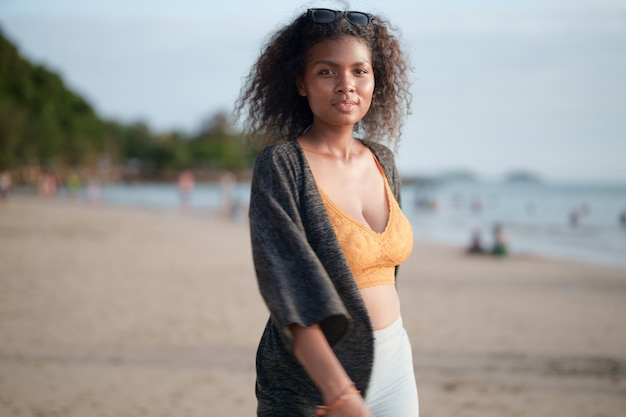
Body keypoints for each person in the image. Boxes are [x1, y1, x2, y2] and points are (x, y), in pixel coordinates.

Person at [234, 7, 417, 416]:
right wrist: (340, 393)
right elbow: (288, 291)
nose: (346, 85)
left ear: (375, 80)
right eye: (327, 72)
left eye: (359, 71)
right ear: (300, 83)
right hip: (312, 384)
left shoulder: (382, 160)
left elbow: (387, 274)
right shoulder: (281, 164)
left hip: (394, 364)